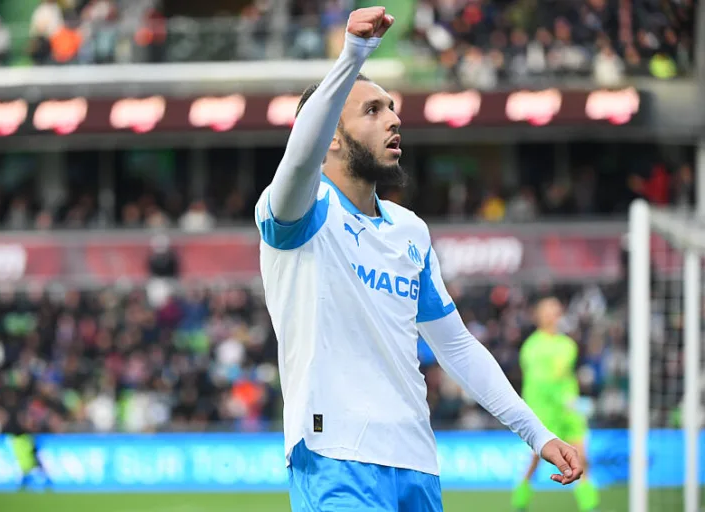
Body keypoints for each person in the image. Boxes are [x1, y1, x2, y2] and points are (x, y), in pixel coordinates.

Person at [254, 7, 582, 511]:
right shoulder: (298, 214)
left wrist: (537, 435)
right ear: (330, 139)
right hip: (334, 458)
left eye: (391, 108)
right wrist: (352, 55)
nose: (393, 118)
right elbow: (299, 156)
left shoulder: (410, 231)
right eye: (372, 111)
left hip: (416, 463)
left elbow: (457, 348)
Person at [512, 297, 600, 512]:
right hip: (544, 412)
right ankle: (520, 500)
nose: (554, 315)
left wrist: (574, 402)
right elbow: (540, 382)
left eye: (557, 311)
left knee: (581, 457)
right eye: (550, 311)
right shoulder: (532, 347)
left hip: (568, 411)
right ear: (540, 317)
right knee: (535, 460)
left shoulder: (567, 344)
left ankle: (589, 505)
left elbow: (565, 377)